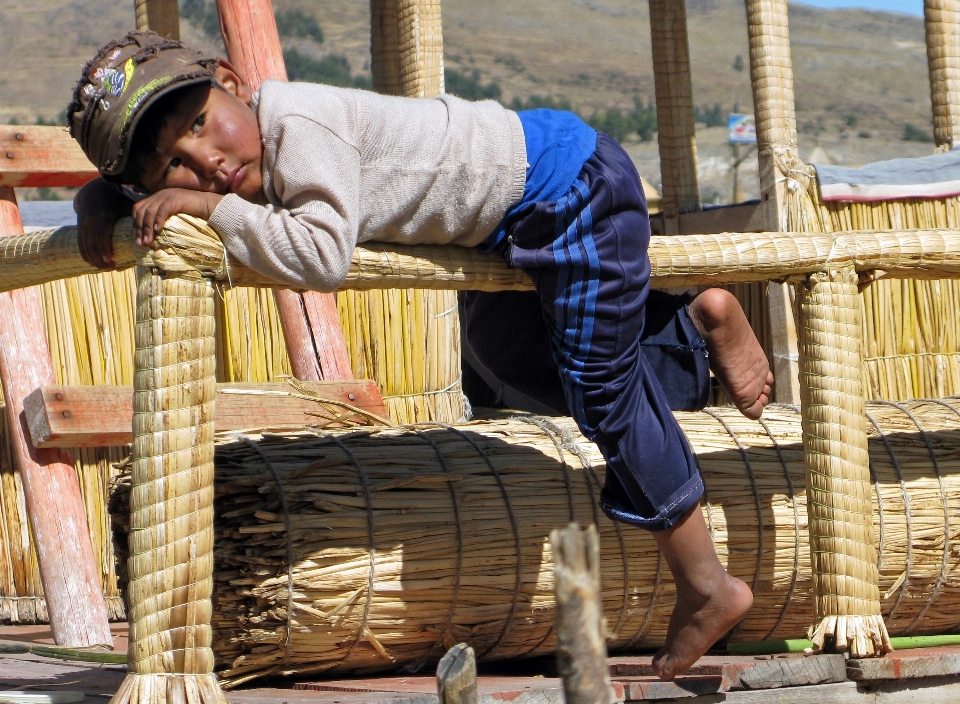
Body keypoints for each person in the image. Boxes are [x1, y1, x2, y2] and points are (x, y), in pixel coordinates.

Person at [69, 31, 771, 680]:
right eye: (173, 166)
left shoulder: (298, 125)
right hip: (507, 222)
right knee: (507, 355)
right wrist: (96, 207)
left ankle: (707, 578)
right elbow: (117, 188)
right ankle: (680, 313)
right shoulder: (250, 142)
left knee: (603, 392)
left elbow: (319, 253)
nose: (206, 164)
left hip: (568, 188)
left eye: (199, 125)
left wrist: (207, 210)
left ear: (231, 80)